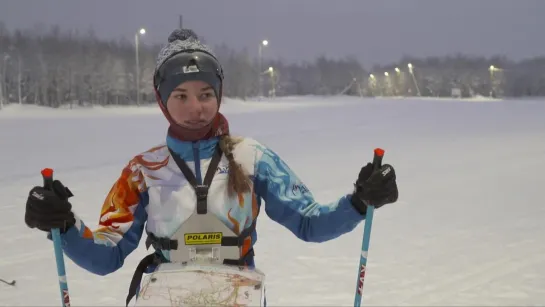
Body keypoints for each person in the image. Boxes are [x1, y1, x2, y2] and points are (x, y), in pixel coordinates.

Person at [24, 28, 399, 305]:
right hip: (166, 293)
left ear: (218, 95)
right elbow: (106, 255)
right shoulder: (143, 171)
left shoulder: (252, 157)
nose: (195, 108)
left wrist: (360, 202)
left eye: (205, 95)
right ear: (161, 100)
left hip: (238, 292)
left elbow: (309, 222)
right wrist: (63, 224)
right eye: (181, 96)